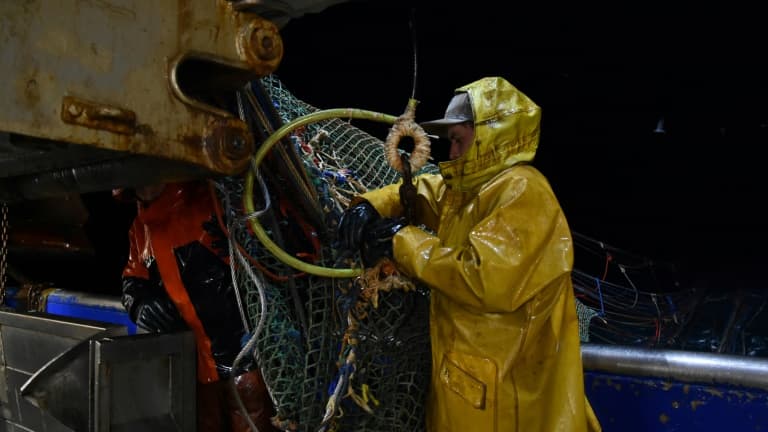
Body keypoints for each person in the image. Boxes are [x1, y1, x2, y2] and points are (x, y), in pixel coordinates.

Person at [337, 77, 602, 431]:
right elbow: (427, 193)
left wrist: (401, 240)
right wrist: (370, 206)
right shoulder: (470, 192)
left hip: (509, 398)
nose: (452, 153)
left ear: (491, 135)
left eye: (458, 141)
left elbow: (483, 277)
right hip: (468, 384)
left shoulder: (522, 190)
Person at [119, 180, 278, 432]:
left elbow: (268, 258)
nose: (146, 183)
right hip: (193, 371)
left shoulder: (212, 202)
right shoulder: (140, 230)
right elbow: (132, 281)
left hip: (246, 362)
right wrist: (141, 305)